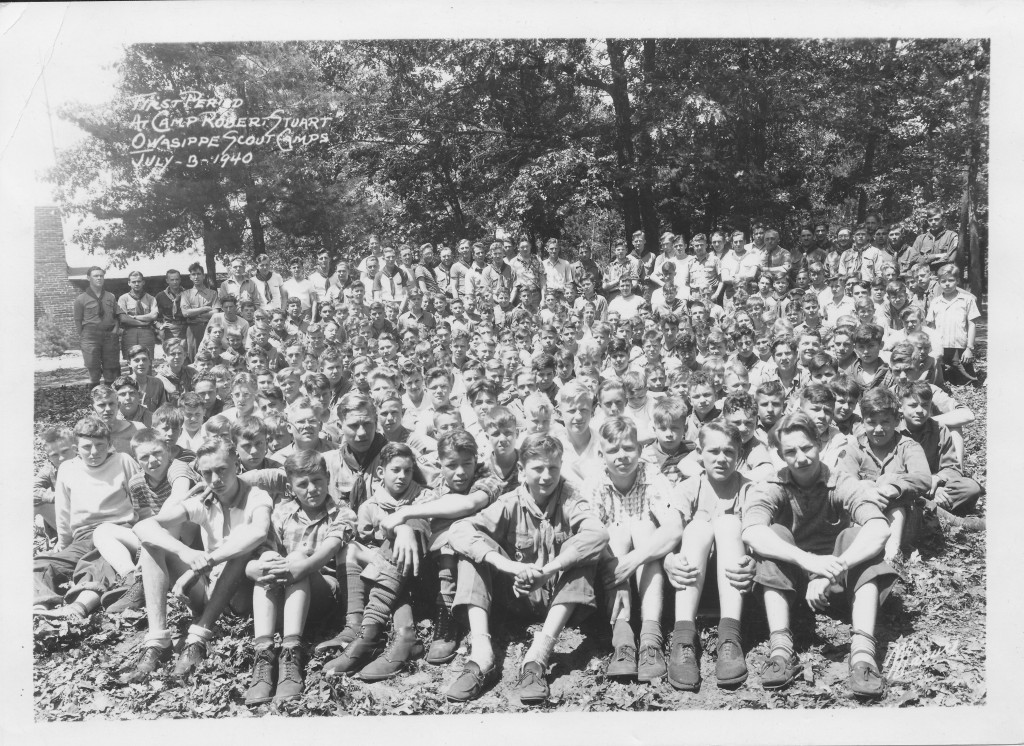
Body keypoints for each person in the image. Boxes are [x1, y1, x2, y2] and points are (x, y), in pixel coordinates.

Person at [443, 434, 611, 704]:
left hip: (557, 599)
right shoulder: (510, 502)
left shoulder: (570, 499)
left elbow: (598, 534)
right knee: (473, 550)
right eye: (538, 469)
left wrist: (549, 570)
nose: (546, 476)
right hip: (514, 595)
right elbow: (459, 530)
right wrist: (508, 566)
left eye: (553, 468)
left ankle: (537, 657)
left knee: (583, 552)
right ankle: (482, 655)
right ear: (522, 470)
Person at [741, 412, 899, 698]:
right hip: (790, 584)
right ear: (780, 454)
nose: (801, 458)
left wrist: (834, 569)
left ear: (819, 443)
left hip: (837, 585)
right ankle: (780, 648)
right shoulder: (772, 484)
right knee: (773, 533)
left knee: (854, 536)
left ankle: (863, 655)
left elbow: (879, 527)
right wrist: (808, 561)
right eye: (790, 451)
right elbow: (752, 531)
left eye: (806, 447)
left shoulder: (840, 480)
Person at [124, 438, 273, 683]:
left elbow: (258, 532)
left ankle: (198, 638)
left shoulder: (256, 496)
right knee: (153, 544)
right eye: (207, 473)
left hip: (241, 592)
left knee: (242, 548)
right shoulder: (204, 500)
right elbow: (143, 525)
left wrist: (206, 562)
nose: (215, 480)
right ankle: (158, 640)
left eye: (222, 470)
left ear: (236, 463)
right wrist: (185, 552)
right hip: (209, 587)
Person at [245, 451, 356, 704]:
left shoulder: (342, 512)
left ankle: (291, 654)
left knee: (296, 558)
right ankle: (263, 657)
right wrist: (269, 562)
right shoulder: (282, 512)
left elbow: (330, 548)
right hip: (287, 591)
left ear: (328, 478)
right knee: (268, 562)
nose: (312, 489)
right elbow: (267, 547)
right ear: (290, 487)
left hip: (322, 592)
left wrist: (298, 565)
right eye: (302, 484)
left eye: (317, 480)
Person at [581, 417, 683, 682]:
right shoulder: (595, 482)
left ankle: (650, 639)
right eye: (613, 450)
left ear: (639, 450)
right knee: (614, 531)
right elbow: (589, 534)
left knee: (643, 527)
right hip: (609, 568)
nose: (622, 456)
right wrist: (618, 565)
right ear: (601, 454)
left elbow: (673, 528)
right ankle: (623, 639)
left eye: (628, 448)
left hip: (646, 564)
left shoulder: (651, 475)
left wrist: (633, 560)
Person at [663, 421, 755, 691]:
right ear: (700, 453)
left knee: (728, 524)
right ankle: (683, 638)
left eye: (729, 452)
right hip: (690, 583)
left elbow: (760, 533)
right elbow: (668, 531)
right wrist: (668, 558)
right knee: (699, 527)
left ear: (739, 455)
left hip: (735, 586)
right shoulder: (689, 488)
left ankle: (730, 638)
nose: (722, 458)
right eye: (713, 451)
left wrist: (755, 562)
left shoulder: (749, 489)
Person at [322, 443, 425, 679]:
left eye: (407, 471)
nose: (402, 476)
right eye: (395, 470)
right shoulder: (370, 506)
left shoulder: (422, 497)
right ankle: (357, 626)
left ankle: (388, 635)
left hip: (418, 570)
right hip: (387, 574)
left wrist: (402, 529)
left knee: (408, 532)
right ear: (381, 473)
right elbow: (366, 543)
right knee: (349, 548)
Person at [33, 416, 140, 620]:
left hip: (117, 532)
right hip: (83, 536)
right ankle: (41, 607)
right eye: (86, 447)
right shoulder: (67, 469)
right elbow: (63, 512)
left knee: (99, 563)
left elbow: (140, 501)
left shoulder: (123, 461)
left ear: (110, 444)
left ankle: (78, 607)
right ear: (76, 448)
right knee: (40, 563)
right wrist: (64, 544)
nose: (93, 452)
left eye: (100, 445)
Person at [926, 264, 981, 384]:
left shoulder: (967, 300)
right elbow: (931, 327)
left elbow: (972, 325)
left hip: (959, 347)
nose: (947, 284)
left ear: (957, 281)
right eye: (943, 281)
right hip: (940, 347)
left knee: (965, 381)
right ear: (939, 283)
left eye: (951, 280)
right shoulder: (935, 302)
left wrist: (969, 348)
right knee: (939, 379)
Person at [74, 266, 121, 386]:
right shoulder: (81, 299)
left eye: (101, 275)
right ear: (88, 278)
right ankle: (95, 399)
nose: (99, 278)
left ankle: (111, 398)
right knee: (93, 370)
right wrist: (84, 336)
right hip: (90, 337)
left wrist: (115, 331)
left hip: (109, 336)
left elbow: (117, 316)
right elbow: (78, 320)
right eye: (96, 276)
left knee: (110, 369)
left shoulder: (110, 296)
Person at [117, 270, 159, 361]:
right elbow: (124, 318)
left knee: (147, 361)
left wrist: (134, 317)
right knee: (132, 362)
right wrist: (144, 323)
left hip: (146, 333)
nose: (136, 284)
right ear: (129, 283)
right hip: (130, 333)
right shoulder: (123, 298)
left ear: (143, 282)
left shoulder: (150, 298)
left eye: (139, 281)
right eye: (133, 282)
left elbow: (153, 316)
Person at [181, 263, 218, 360]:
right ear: (190, 277)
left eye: (198, 274)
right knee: (194, 356)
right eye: (193, 274)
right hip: (193, 329)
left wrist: (195, 313)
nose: (196, 277)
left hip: (209, 327)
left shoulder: (212, 293)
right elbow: (186, 313)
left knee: (211, 354)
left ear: (203, 276)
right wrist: (204, 309)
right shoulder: (186, 294)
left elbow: (216, 312)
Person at [912, 206, 959, 272]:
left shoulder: (951, 236)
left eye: (936, 219)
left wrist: (925, 259)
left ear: (943, 220)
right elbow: (914, 258)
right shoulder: (920, 239)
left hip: (943, 276)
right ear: (927, 221)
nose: (933, 222)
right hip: (924, 277)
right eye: (930, 220)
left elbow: (950, 259)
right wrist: (936, 256)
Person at [156, 269, 188, 344]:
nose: (175, 282)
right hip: (168, 329)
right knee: (170, 351)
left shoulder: (187, 294)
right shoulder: (160, 296)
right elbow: (155, 315)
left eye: (177, 279)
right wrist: (160, 326)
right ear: (167, 280)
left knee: (184, 352)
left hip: (184, 327)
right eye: (172, 280)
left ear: (180, 280)